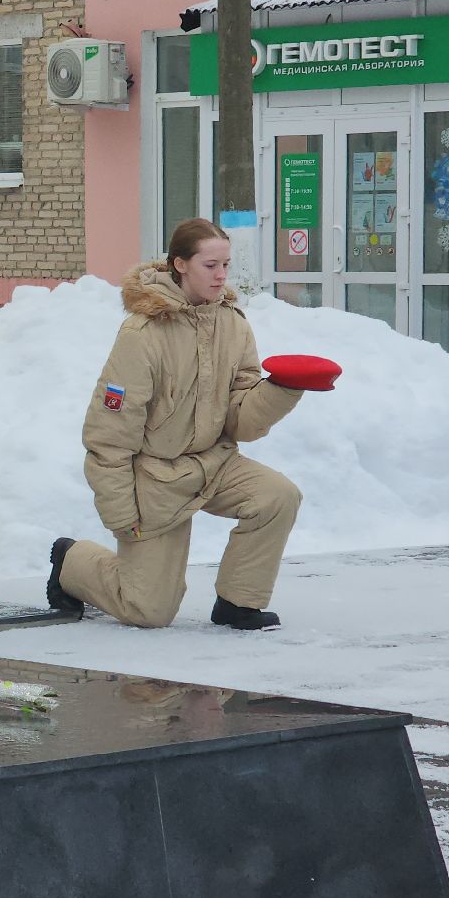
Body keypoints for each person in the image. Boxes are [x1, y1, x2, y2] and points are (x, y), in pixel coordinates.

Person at [47, 218, 340, 631]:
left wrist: (282, 389)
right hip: (155, 478)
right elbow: (109, 433)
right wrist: (119, 511)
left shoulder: (233, 323)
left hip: (214, 463)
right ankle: (71, 561)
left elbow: (241, 421)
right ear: (180, 265)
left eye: (226, 265)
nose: (222, 276)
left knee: (277, 496)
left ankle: (238, 602)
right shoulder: (142, 333)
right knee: (148, 611)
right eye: (210, 265)